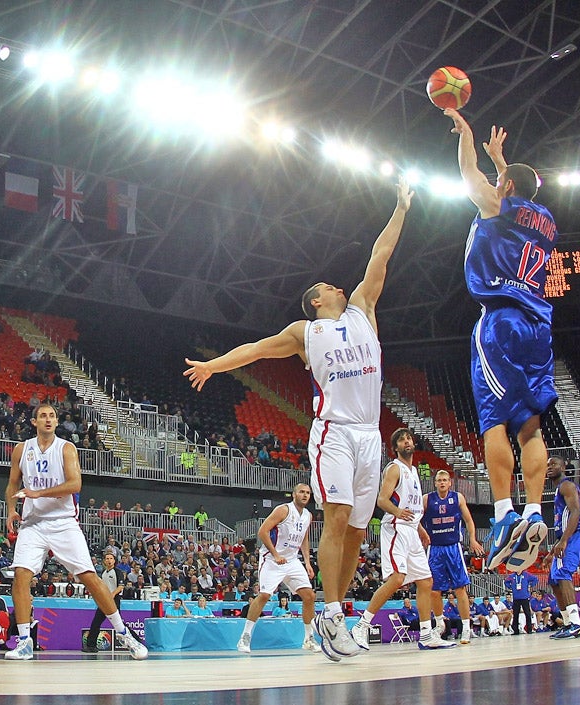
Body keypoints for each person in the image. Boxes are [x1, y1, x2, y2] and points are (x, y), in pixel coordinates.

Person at [185, 179, 414, 661]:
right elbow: (255, 349)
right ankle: (331, 614)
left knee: (357, 530)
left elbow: (381, 255)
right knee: (334, 520)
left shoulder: (363, 311)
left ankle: (338, 616)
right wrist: (212, 365)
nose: (339, 285)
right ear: (316, 301)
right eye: (330, 286)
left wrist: (400, 207)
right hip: (334, 432)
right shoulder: (304, 331)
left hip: (370, 435)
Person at [445, 109, 558, 573]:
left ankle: (504, 513)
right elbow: (511, 190)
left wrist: (467, 136)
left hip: (501, 322)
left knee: (493, 420)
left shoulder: (497, 204)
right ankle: (534, 510)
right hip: (539, 327)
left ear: (506, 188)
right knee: (530, 424)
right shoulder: (545, 219)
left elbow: (469, 177)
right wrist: (504, 162)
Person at [4, 403, 147, 661]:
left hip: (63, 522)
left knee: (90, 578)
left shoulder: (66, 448)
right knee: (21, 574)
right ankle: (24, 641)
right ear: (34, 422)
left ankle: (124, 634)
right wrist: (11, 509)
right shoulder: (22, 449)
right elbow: (13, 483)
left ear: (56, 422)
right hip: (33, 523)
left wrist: (39, 493)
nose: (47, 420)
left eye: (51, 416)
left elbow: (75, 483)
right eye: (42, 416)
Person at [352, 429, 455, 651]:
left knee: (426, 581)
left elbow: (411, 507)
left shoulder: (414, 470)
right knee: (397, 579)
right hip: (396, 528)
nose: (406, 441)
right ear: (395, 448)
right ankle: (362, 625)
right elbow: (382, 500)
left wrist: (420, 528)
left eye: (408, 438)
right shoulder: (394, 468)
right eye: (401, 439)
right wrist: (398, 513)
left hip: (411, 529)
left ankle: (427, 635)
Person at [236, 484, 319, 656]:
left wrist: (308, 562)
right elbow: (262, 531)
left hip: (292, 560)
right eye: (301, 492)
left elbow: (304, 539)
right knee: (265, 595)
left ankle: (309, 638)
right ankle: (245, 636)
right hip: (272, 559)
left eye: (307, 493)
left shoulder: (308, 516)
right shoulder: (283, 510)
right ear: (294, 494)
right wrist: (275, 554)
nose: (305, 495)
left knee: (309, 596)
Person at [422, 469, 483, 645]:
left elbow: (469, 520)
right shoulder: (427, 499)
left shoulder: (458, 498)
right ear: (435, 483)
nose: (442, 482)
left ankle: (466, 628)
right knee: (434, 590)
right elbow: (416, 518)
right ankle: (440, 623)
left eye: (445, 480)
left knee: (460, 588)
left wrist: (472, 539)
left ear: (450, 482)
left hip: (453, 547)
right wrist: (422, 533)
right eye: (439, 480)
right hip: (434, 548)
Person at [544, 455, 580, 639]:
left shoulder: (566, 485)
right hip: (567, 535)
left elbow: (576, 512)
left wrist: (564, 541)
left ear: (563, 466)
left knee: (563, 574)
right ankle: (568, 623)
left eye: (553, 464)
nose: (549, 467)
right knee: (554, 580)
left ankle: (576, 624)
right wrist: (551, 552)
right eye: (547, 465)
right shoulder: (559, 489)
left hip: (576, 533)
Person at [83, 551, 125, 653]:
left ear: (114, 561)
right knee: (96, 622)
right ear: (104, 561)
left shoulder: (118, 572)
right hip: (104, 599)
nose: (109, 560)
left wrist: (112, 594)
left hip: (113, 600)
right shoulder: (104, 573)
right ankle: (91, 645)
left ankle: (136, 641)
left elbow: (121, 586)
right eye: (107, 559)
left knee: (119, 624)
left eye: (111, 558)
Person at [505, 569, 538, 634]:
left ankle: (529, 629)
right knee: (516, 614)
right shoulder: (512, 576)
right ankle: (515, 630)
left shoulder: (526, 574)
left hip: (524, 597)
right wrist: (510, 587)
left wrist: (531, 585)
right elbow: (506, 581)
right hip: (516, 598)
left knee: (527, 614)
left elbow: (535, 579)